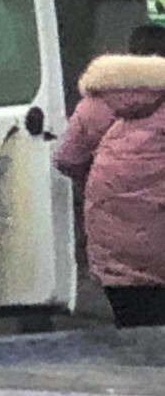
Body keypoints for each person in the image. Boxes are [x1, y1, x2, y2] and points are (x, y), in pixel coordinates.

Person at [53, 24, 165, 328]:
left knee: (131, 322)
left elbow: (66, 158)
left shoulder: (96, 102)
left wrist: (98, 174)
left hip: (113, 235)